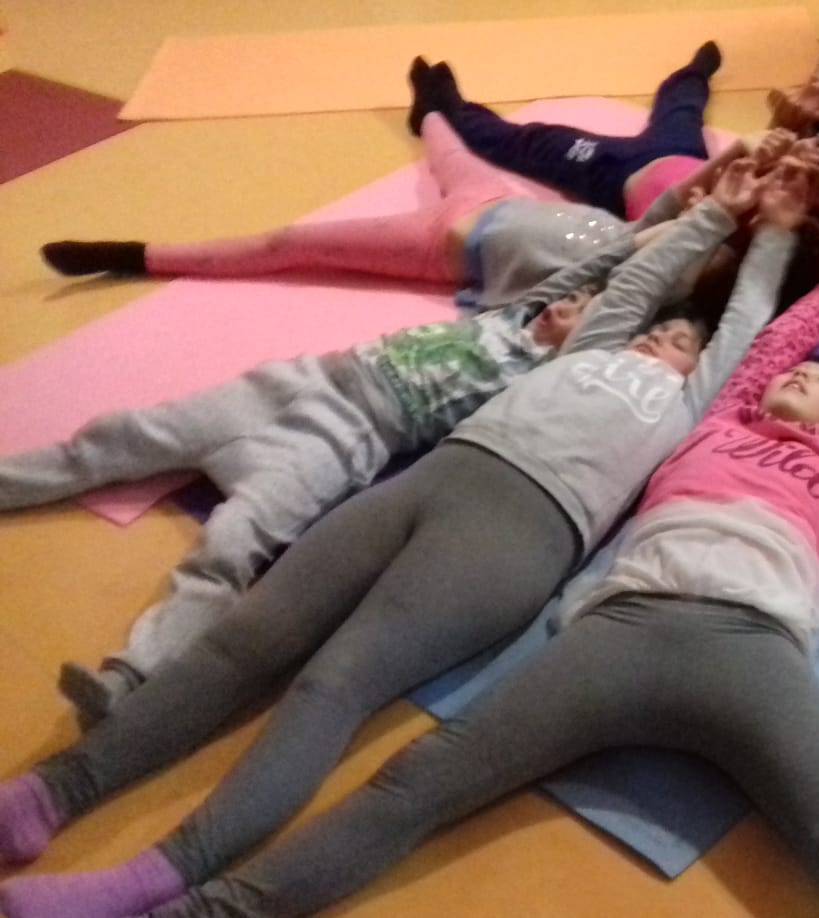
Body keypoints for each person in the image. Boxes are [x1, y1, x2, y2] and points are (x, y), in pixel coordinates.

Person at [92, 201, 819, 918]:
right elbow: (761, 348)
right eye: (798, 373)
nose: (807, 378)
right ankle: (208, 908)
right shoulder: (713, 422)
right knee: (418, 777)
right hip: (621, 631)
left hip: (754, 648)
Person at [1, 157, 753, 729]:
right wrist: (712, 183)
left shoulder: (558, 370)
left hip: (340, 439)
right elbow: (617, 253)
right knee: (117, 437)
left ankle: (130, 677)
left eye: (586, 308)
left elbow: (636, 279)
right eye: (574, 294)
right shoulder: (517, 312)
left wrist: (717, 231)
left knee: (231, 546)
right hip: (294, 384)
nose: (573, 301)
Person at [38, 107, 745, 313]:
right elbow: (679, 203)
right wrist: (740, 161)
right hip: (495, 200)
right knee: (446, 145)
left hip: (435, 245)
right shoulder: (647, 235)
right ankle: (429, 105)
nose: (683, 231)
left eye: (692, 246)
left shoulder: (624, 282)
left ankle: (135, 256)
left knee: (289, 241)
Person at [410, 42, 725, 222]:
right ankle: (694, 73)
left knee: (534, 142)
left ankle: (446, 112)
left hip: (615, 173)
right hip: (684, 153)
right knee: (682, 107)